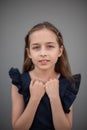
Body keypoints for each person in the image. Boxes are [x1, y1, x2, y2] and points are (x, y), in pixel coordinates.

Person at [9, 21, 81, 130]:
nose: (43, 53)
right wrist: (35, 98)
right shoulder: (19, 82)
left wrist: (54, 97)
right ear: (29, 53)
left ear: (60, 51)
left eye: (50, 46)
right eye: (36, 47)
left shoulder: (68, 84)